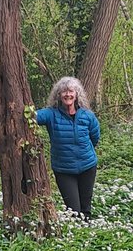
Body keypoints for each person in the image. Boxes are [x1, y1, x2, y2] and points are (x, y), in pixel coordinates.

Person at [35, 76, 101, 218]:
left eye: (71, 91)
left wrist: (85, 151)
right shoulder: (51, 114)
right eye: (64, 91)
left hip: (87, 166)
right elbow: (33, 117)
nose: (68, 94)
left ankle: (87, 235)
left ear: (77, 94)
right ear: (58, 95)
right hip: (64, 169)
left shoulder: (87, 116)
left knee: (86, 208)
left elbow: (95, 137)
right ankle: (76, 235)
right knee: (74, 211)